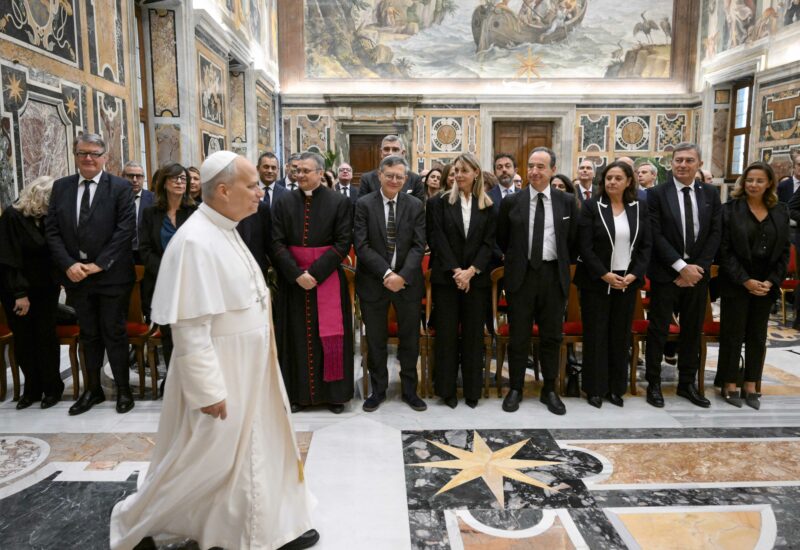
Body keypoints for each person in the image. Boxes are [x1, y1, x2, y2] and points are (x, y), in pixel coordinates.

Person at [109, 151, 318, 550]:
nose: (261, 192)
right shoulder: (195, 241)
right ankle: (144, 525)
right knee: (204, 462)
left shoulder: (225, 227)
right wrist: (208, 390)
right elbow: (190, 328)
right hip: (223, 372)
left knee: (252, 453)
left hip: (250, 366)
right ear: (222, 190)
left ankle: (262, 527)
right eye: (252, 184)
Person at [46, 133, 137, 416]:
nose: (88, 158)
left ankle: (123, 389)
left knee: (114, 332)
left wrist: (100, 263)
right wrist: (68, 264)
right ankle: (92, 389)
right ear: (75, 155)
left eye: (94, 153)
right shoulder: (61, 188)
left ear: (105, 157)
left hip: (111, 276)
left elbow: (125, 229)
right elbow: (52, 230)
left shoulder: (120, 187)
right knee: (89, 335)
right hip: (77, 276)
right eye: (82, 153)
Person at [271, 152, 354, 414]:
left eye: (307, 171)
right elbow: (275, 242)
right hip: (292, 280)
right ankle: (297, 395)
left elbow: (343, 243)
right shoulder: (283, 202)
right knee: (294, 336)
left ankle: (334, 395)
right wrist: (297, 274)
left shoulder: (339, 202)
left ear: (320, 173)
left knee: (330, 336)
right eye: (297, 170)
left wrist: (314, 274)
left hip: (326, 277)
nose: (301, 175)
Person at [496, 146, 577, 415]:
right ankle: (516, 387)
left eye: (541, 166)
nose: (534, 171)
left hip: (554, 276)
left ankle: (550, 389)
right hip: (521, 276)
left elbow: (572, 241)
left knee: (552, 335)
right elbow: (502, 240)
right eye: (531, 166)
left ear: (553, 170)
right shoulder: (512, 202)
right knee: (519, 335)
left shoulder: (566, 202)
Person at [644, 142, 722, 408]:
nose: (683, 165)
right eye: (678, 160)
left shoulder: (711, 193)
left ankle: (687, 384)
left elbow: (714, 233)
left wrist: (696, 269)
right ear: (671, 163)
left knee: (692, 331)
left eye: (689, 160)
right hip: (666, 274)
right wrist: (680, 267)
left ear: (698, 164)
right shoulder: (656, 194)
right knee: (658, 331)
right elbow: (655, 234)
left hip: (697, 276)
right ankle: (653, 383)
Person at [574, 161, 651, 408]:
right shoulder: (591, 206)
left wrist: (634, 274)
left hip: (627, 281)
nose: (612, 182)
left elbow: (646, 246)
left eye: (618, 178)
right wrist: (604, 274)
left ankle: (615, 389)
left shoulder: (639, 208)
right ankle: (594, 388)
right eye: (608, 178)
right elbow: (584, 246)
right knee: (596, 335)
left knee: (620, 336)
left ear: (629, 181)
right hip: (597, 281)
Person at [353, 155, 427, 412]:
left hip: (408, 284)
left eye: (399, 176)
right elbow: (361, 246)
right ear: (379, 176)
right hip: (374, 282)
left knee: (410, 340)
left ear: (405, 179)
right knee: (376, 340)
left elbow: (419, 246)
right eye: (390, 175)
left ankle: (409, 391)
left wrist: (402, 276)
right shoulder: (363, 204)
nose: (394, 180)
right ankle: (378, 390)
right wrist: (386, 274)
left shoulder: (416, 204)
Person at [718, 162, 790, 409]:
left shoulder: (781, 211)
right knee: (733, 334)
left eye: (759, 180)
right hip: (737, 282)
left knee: (758, 336)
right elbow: (724, 250)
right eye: (749, 180)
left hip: (766, 283)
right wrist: (745, 280)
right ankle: (729, 383)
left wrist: (771, 281)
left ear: (769, 183)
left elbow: (783, 252)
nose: (753, 185)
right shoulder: (730, 210)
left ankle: (751, 384)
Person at [428, 154, 496, 409]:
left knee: (472, 336)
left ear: (476, 173)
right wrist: (458, 271)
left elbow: (489, 242)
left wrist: (472, 271)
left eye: (464, 170)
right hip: (448, 279)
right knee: (446, 335)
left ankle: (471, 390)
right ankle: (446, 390)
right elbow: (437, 240)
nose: (458, 175)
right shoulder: (439, 202)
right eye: (456, 170)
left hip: (475, 281)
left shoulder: (487, 205)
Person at [0, 176, 63, 410]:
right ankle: (32, 389)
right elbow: (8, 260)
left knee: (46, 337)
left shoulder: (47, 217)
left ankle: (52, 388)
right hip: (18, 291)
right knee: (25, 340)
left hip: (46, 289)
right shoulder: (12, 217)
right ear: (39, 197)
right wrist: (19, 294)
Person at [138, 163, 196, 377]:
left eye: (183, 178)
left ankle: (190, 379)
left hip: (190, 283)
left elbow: (201, 247)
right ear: (164, 183)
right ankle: (172, 380)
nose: (180, 182)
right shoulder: (150, 213)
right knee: (168, 335)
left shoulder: (194, 212)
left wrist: (183, 270)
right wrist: (167, 269)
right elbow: (144, 249)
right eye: (174, 178)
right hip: (161, 282)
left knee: (190, 335)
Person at [358, 135, 426, 200]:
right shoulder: (367, 178)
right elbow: (362, 206)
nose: (390, 153)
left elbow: (418, 208)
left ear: (403, 153)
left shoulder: (415, 179)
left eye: (395, 149)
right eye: (386, 149)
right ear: (381, 153)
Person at [121, 161, 154, 264]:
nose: (135, 180)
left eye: (139, 176)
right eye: (130, 176)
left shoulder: (154, 199)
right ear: (122, 177)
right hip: (122, 254)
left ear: (143, 178)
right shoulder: (115, 199)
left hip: (146, 253)